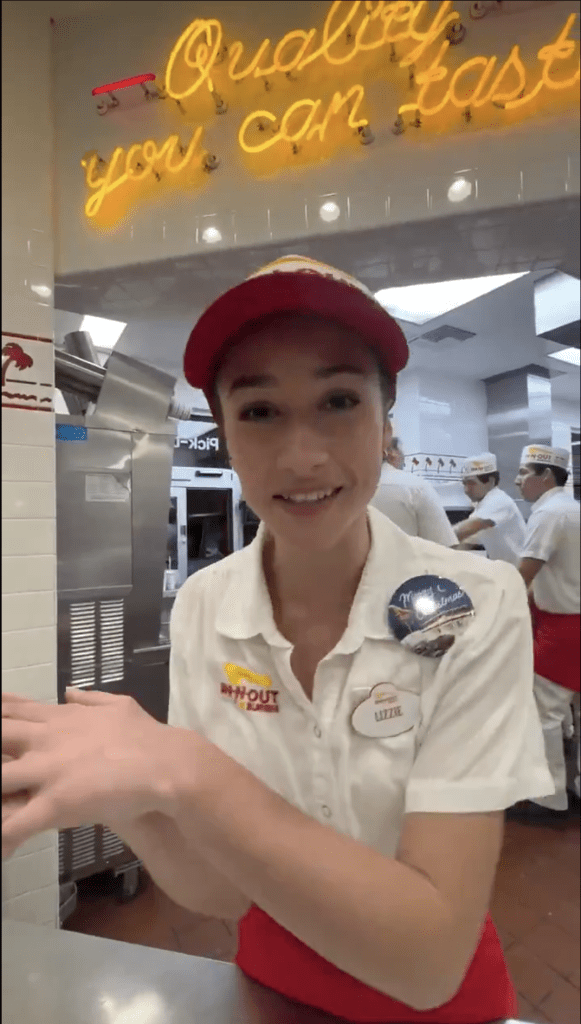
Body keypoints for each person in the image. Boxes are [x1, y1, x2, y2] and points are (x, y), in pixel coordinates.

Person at [2, 256, 555, 1024]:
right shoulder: (207, 604)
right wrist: (127, 795)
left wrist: (182, 770)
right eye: (259, 411)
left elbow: (427, 963)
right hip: (267, 987)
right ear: (225, 435)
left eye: (339, 401)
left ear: (384, 422)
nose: (301, 457)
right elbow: (218, 890)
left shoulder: (472, 601)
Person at [508, 444, 580, 825]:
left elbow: (525, 573)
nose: (517, 481)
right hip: (572, 620)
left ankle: (550, 799)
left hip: (564, 629)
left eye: (523, 473)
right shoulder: (574, 509)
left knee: (545, 713)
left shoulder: (548, 513)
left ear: (546, 476)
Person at [370, 438, 457, 547]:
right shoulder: (417, 487)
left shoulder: (353, 488)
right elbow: (445, 546)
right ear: (391, 453)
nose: (403, 459)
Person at [453, 453, 527, 566]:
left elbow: (466, 528)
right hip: (508, 571)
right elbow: (465, 543)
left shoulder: (498, 500)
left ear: (491, 481)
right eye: (464, 483)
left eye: (472, 483)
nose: (466, 490)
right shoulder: (481, 508)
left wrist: (432, 539)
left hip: (524, 572)